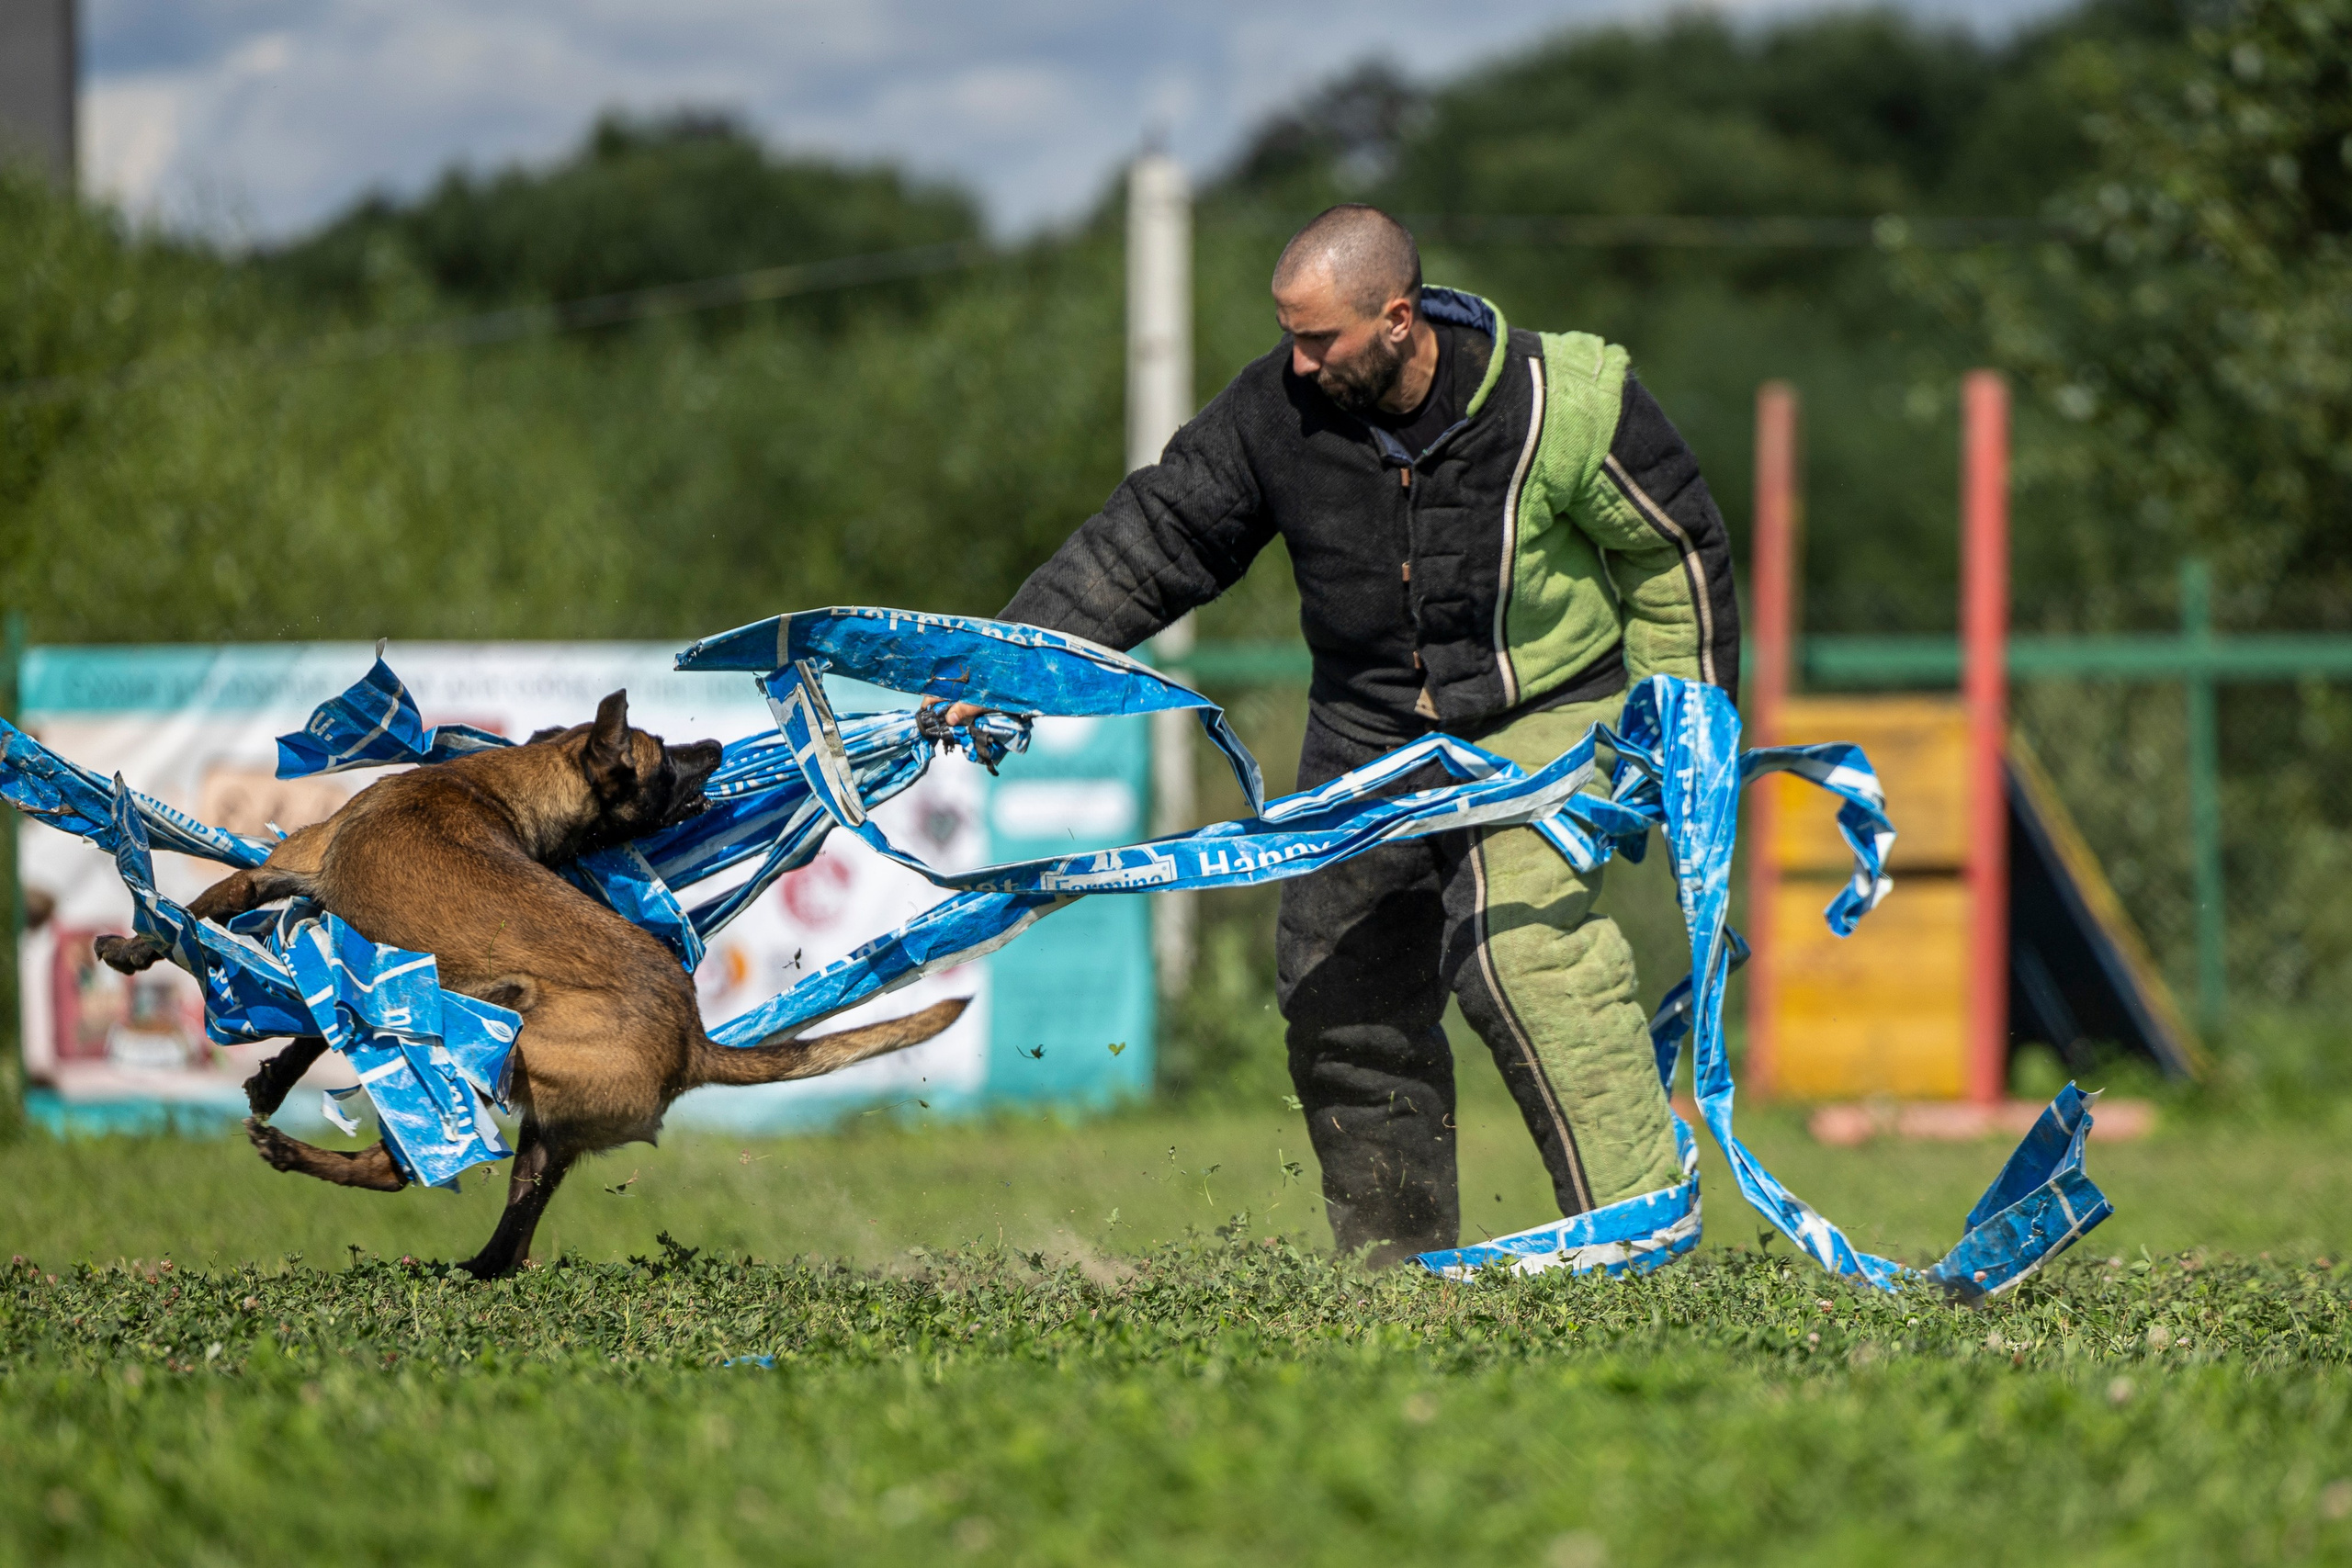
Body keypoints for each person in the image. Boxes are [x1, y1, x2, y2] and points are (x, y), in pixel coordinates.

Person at [972, 204, 1739, 1267]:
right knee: (1340, 991)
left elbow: (1676, 550)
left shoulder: (1558, 401)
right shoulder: (1270, 414)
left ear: (1395, 319)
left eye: (1317, 339)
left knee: (1522, 954)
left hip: (1546, 714)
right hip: (1369, 730)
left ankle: (1644, 1243)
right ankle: (1392, 1272)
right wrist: (1008, 659)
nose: (1297, 361)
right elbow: (1156, 536)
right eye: (1288, 334)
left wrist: (1684, 722)